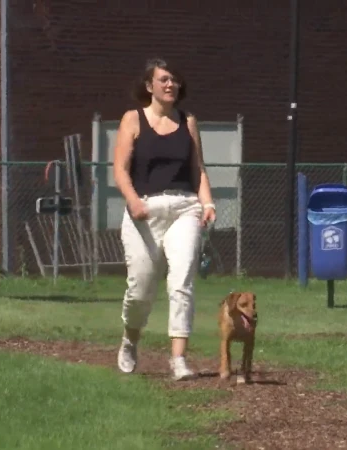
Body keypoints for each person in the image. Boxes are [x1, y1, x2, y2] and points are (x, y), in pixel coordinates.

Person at [112, 58, 217, 379]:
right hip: (144, 210)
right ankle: (130, 340)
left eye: (175, 81)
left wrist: (208, 202)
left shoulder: (188, 121)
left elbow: (197, 168)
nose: (171, 85)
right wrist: (132, 202)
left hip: (185, 208)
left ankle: (178, 360)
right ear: (149, 86)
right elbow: (119, 169)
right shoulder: (133, 119)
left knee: (181, 281)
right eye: (164, 80)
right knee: (140, 289)